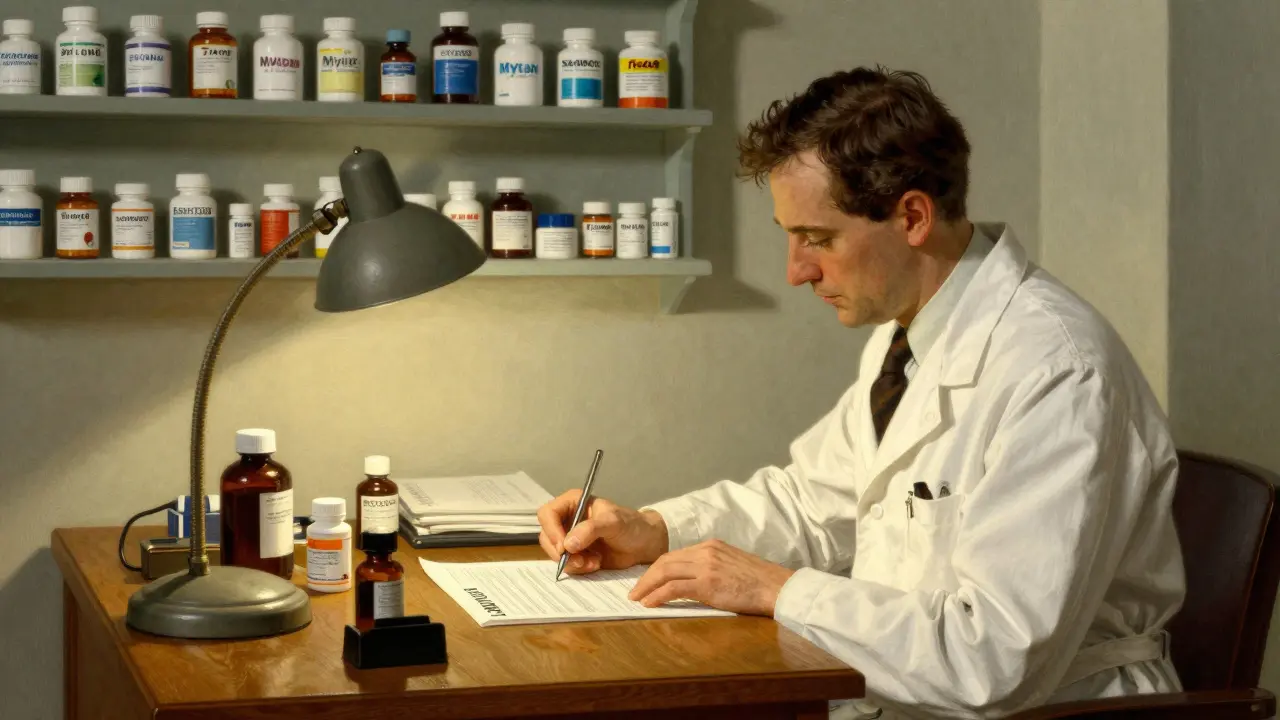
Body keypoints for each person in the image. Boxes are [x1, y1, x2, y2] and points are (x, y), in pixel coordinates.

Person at [536, 66, 1184, 719]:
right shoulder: (908, 339)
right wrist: (655, 529)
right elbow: (814, 502)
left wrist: (778, 590)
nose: (797, 272)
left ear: (911, 216)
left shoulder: (1058, 373)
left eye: (818, 239)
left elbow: (994, 659)